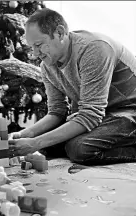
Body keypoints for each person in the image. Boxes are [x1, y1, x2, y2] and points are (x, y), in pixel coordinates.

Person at [9, 8, 136, 165]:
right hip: (104, 116)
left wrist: (36, 143)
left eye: (39, 45)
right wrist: (25, 134)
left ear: (60, 33)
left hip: (128, 110)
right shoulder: (47, 65)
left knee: (79, 149)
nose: (35, 53)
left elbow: (90, 115)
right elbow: (57, 111)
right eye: (31, 47)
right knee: (50, 147)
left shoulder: (94, 49)